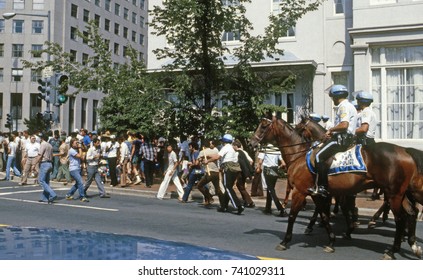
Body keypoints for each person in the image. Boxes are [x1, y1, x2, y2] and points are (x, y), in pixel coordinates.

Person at [308, 84, 357, 197]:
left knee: (318, 156)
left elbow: (344, 125)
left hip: (341, 140)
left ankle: (323, 186)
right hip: (344, 137)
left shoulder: (343, 106)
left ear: (336, 96)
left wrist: (331, 130)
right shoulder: (349, 105)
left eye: (332, 97)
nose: (332, 99)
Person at [205, 134, 244, 215]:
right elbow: (218, 155)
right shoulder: (232, 148)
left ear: (224, 141)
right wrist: (209, 156)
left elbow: (217, 157)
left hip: (228, 169)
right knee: (227, 187)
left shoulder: (226, 147)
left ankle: (238, 205)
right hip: (234, 169)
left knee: (227, 187)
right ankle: (224, 206)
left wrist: (207, 161)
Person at [355, 91, 379, 200]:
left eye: (358, 100)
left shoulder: (365, 112)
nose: (357, 102)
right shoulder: (368, 112)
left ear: (361, 102)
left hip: (364, 141)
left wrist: (351, 131)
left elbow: (364, 128)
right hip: (368, 140)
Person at [256, 144, 287, 216]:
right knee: (270, 188)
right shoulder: (277, 149)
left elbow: (260, 161)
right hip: (275, 169)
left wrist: (258, 167)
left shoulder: (265, 149)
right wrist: (278, 167)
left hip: (268, 169)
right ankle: (268, 208)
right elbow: (283, 164)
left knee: (271, 190)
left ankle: (281, 208)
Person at [196, 140, 225, 206]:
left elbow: (197, 162)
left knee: (199, 185)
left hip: (209, 172)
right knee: (217, 189)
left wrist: (203, 160)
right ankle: (223, 203)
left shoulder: (204, 152)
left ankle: (209, 198)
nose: (212, 145)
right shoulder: (215, 150)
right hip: (214, 172)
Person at [232, 139, 255, 208]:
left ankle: (250, 202)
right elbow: (251, 161)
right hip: (245, 172)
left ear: (236, 146)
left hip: (240, 172)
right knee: (240, 186)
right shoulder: (244, 152)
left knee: (241, 187)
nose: (232, 147)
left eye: (233, 146)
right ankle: (246, 200)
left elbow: (236, 162)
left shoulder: (236, 153)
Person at [35, 132, 57, 203]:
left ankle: (52, 194)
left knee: (41, 181)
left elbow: (40, 155)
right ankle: (45, 198)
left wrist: (34, 164)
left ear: (42, 138)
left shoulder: (43, 144)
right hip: (50, 163)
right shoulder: (50, 145)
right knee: (46, 182)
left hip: (44, 163)